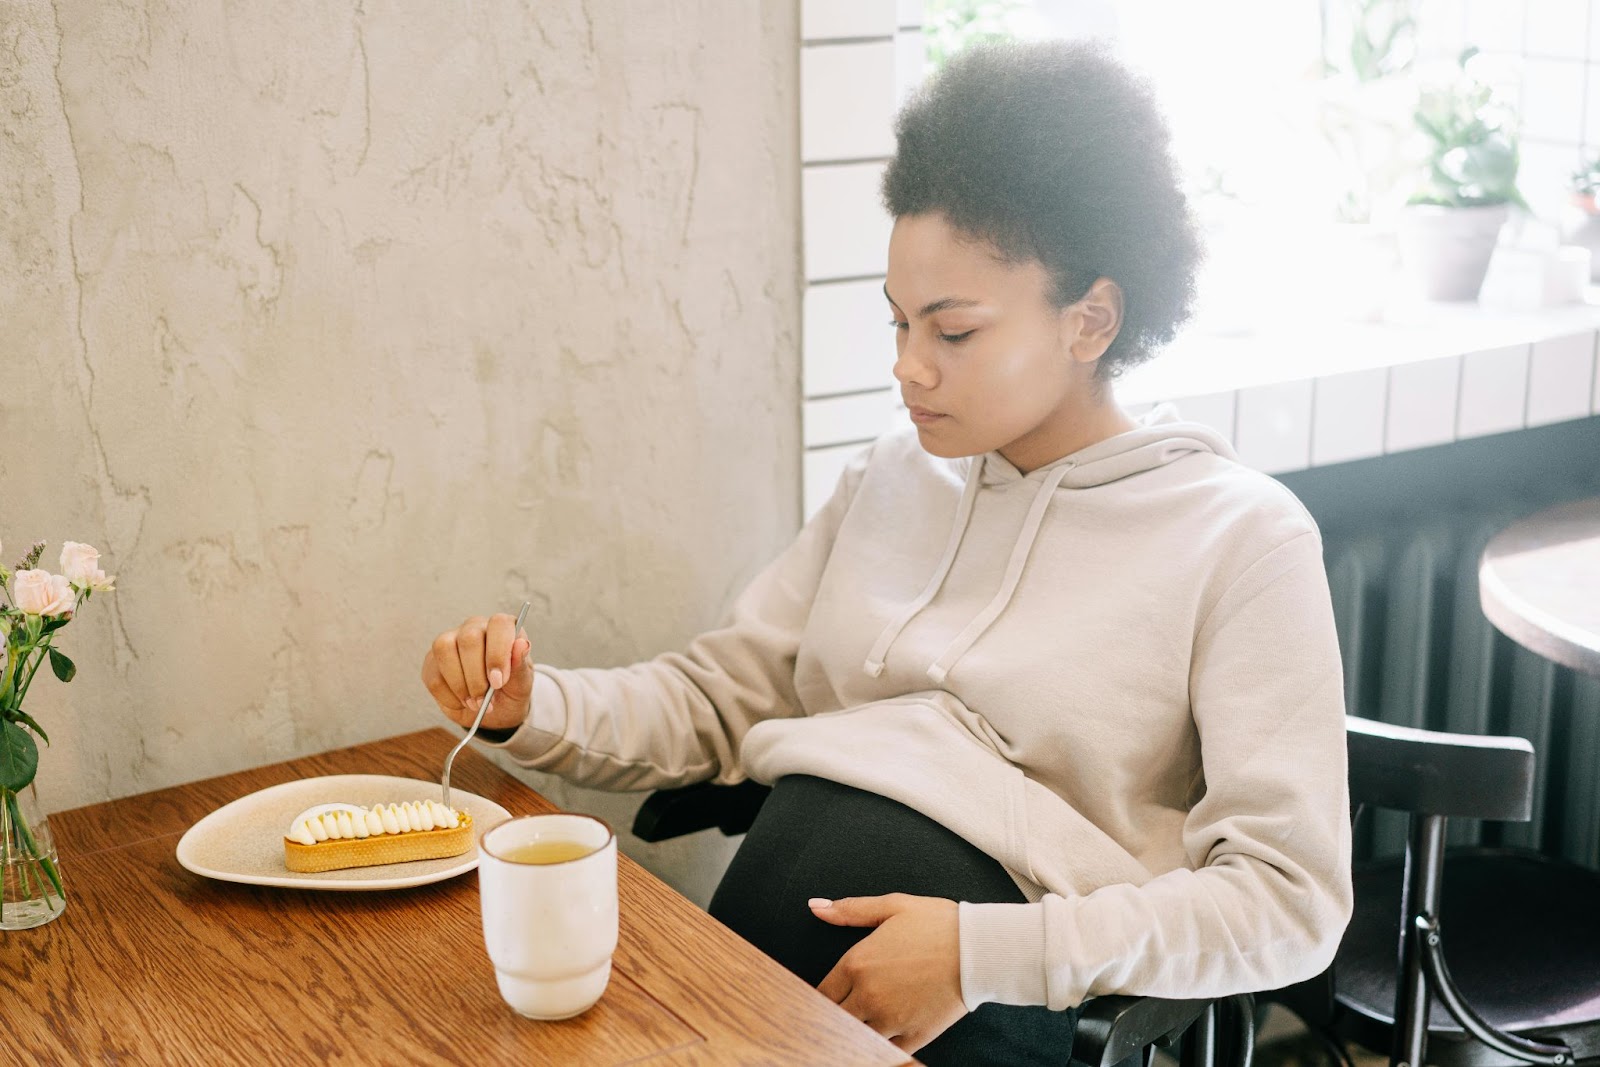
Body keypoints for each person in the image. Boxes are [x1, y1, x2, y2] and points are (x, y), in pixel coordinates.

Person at [421, 40, 1353, 1066]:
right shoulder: (891, 478)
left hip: (979, 1008)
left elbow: (1288, 900)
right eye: (899, 320)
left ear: (1090, 318)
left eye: (952, 332)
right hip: (753, 970)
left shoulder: (1238, 537)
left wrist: (980, 952)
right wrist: (530, 702)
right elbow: (719, 699)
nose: (908, 367)